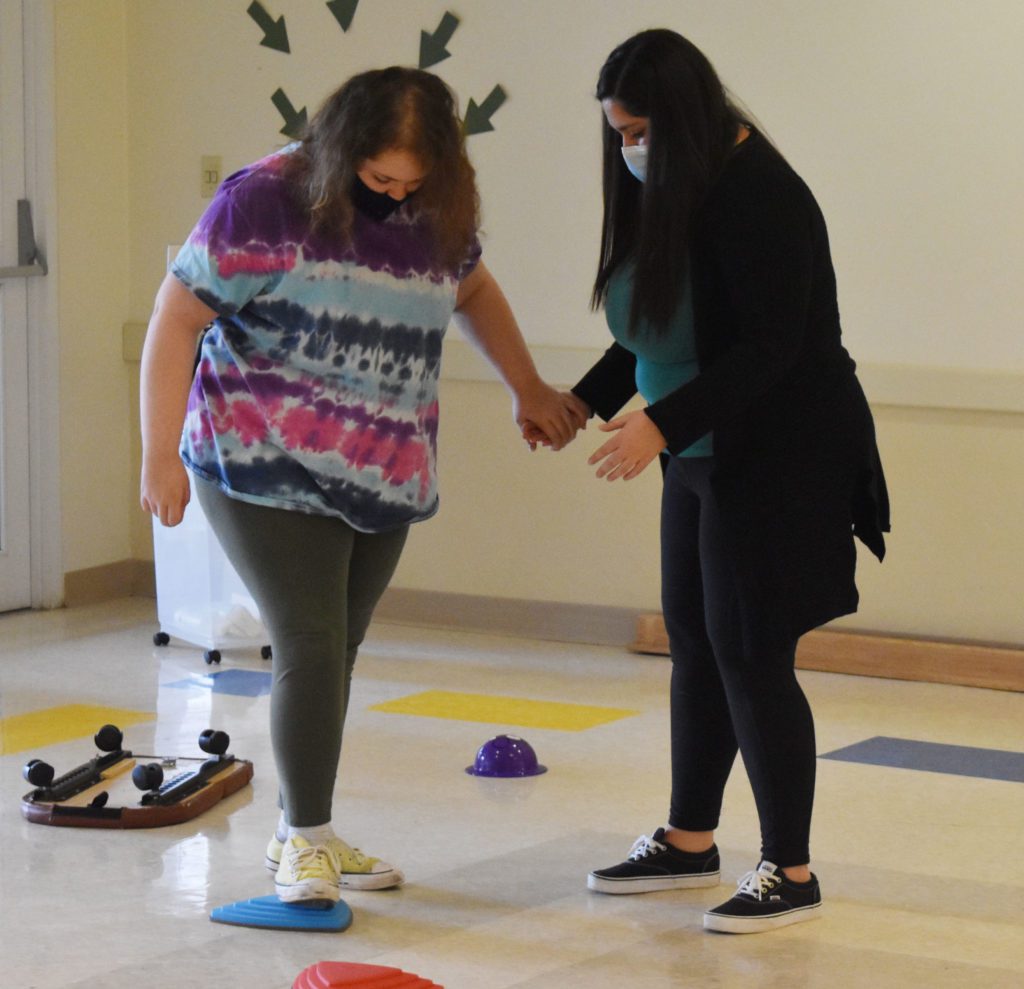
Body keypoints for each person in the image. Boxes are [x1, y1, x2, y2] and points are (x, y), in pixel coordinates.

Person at [139, 67, 582, 905]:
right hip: (259, 457)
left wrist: (527, 386)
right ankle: (303, 840)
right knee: (307, 642)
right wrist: (157, 452)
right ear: (340, 151)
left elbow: (473, 287)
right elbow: (177, 317)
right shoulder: (262, 200)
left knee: (337, 649)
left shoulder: (438, 207)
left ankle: (304, 829)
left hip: (383, 466)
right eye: (379, 179)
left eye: (412, 183)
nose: (395, 196)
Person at [551, 29, 890, 934]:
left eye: (642, 130)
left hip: (780, 450)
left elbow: (771, 348)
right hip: (699, 449)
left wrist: (660, 422)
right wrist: (579, 403)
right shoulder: (678, 192)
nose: (629, 148)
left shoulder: (763, 195)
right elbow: (650, 332)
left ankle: (792, 868)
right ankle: (689, 838)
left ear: (690, 121)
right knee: (695, 639)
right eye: (619, 133)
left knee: (749, 649)